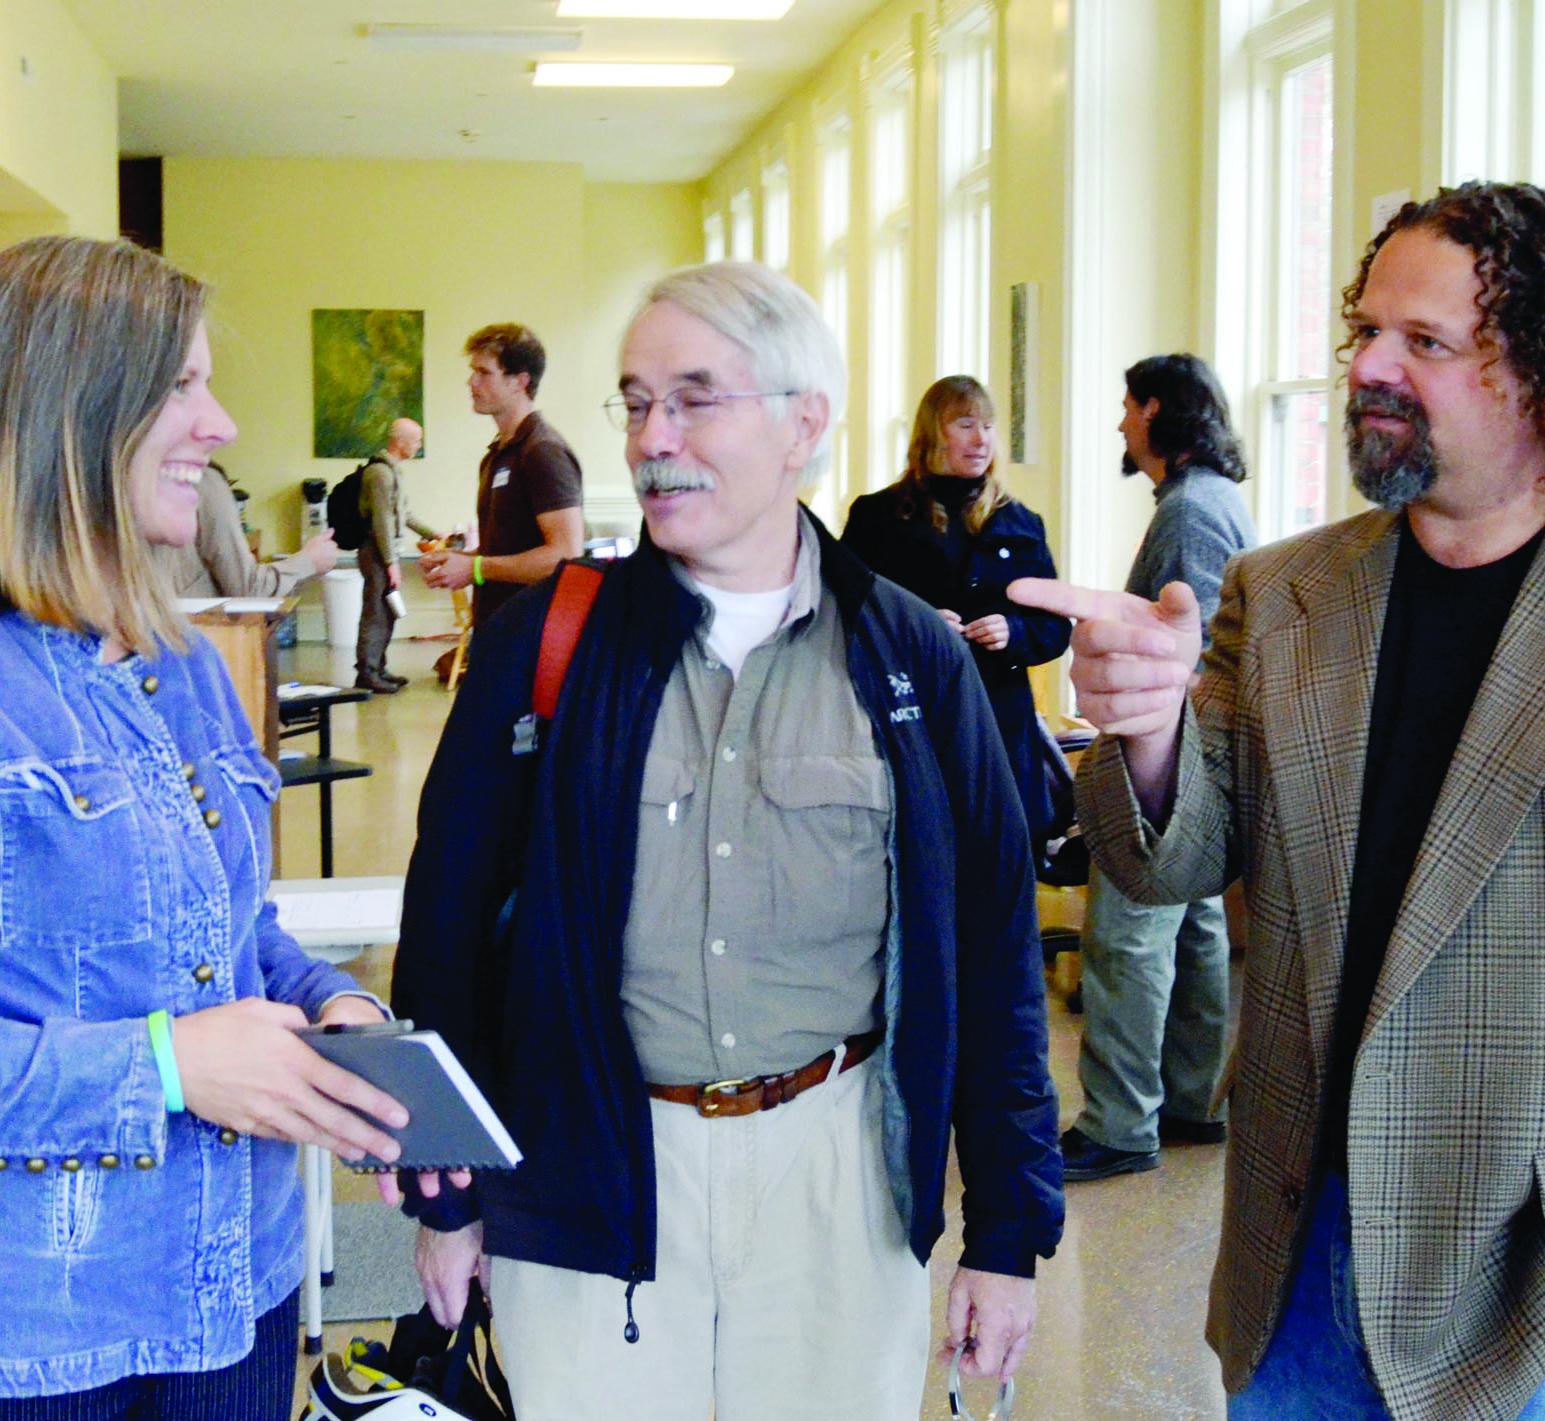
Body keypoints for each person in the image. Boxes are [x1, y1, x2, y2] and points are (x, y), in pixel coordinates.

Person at [1012, 181, 1545, 1420]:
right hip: (1293, 1275)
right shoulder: (1288, 591)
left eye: (1422, 343)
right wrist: (1146, 730)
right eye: (1366, 332)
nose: (1368, 366)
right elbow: (1177, 857)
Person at [387, 261, 1063, 1420]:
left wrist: (1008, 1228)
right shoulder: (545, 649)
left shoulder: (912, 662)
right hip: (587, 1158)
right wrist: (444, 1199)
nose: (655, 436)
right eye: (638, 400)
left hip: (838, 1168)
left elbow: (994, 960)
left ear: (807, 422)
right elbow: (443, 931)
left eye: (696, 396)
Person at [0, 235, 412, 1420]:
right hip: (18, 1336)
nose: (219, 424)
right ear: (70, 411)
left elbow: (231, 938)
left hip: (236, 1291)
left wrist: (339, 1006)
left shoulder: (192, 667)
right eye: (182, 386)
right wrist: (168, 1063)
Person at [1059, 353, 1257, 1183]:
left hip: (1176, 765)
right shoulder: (1213, 499)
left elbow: (1179, 656)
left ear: (1159, 413)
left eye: (1128, 405)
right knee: (1198, 929)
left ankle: (1118, 1122)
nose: (1119, 423)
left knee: (1128, 937)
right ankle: (1188, 1100)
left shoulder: (1186, 512)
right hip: (1208, 760)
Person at [839, 375, 1070, 864]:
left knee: (1003, 870)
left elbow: (1055, 628)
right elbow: (841, 616)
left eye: (988, 426)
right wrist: (914, 629)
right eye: (966, 424)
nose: (982, 439)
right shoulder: (878, 518)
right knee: (922, 867)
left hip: (1000, 727)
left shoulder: (1021, 523)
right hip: (911, 722)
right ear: (932, 433)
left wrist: (1016, 632)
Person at [420, 323, 585, 634]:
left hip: (533, 637)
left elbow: (565, 555)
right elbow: (508, 553)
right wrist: (461, 561)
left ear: (519, 381)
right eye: (473, 372)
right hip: (497, 628)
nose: (472, 382)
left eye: (484, 373)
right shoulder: (500, 452)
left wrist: (477, 567)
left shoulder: (543, 451)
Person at [155, 459, 339, 597]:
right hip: (191, 636)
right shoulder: (204, 482)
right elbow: (248, 588)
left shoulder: (142, 474)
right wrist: (309, 560)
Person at [354, 417, 439, 692]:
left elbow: (403, 514)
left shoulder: (393, 472)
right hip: (376, 551)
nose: (419, 445)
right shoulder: (380, 474)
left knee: (386, 613)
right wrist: (391, 563)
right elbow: (381, 521)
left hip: (385, 551)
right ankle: (367, 673)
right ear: (400, 442)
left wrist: (435, 534)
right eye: (416, 440)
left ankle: (379, 668)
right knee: (376, 613)